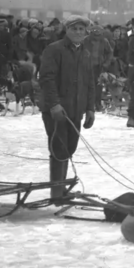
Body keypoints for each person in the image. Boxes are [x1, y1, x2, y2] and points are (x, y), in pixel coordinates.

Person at [39, 16, 97, 199]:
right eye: (74, 29)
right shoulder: (54, 50)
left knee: (70, 147)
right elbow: (46, 79)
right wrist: (54, 104)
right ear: (67, 30)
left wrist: (90, 108)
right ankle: (57, 192)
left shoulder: (85, 53)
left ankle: (61, 188)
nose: (78, 32)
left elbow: (89, 83)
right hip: (56, 111)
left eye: (82, 29)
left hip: (76, 109)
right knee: (59, 148)